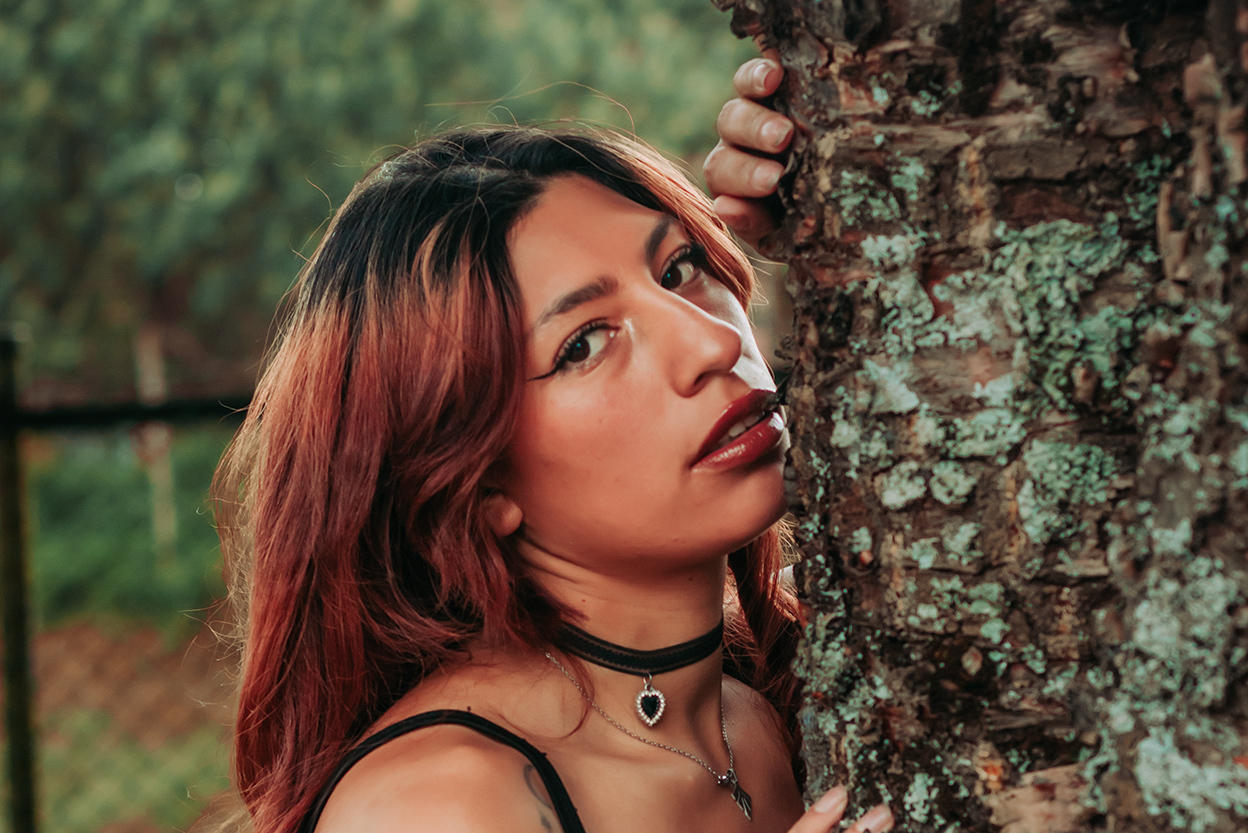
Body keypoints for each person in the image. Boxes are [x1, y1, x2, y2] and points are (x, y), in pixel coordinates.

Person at [213, 52, 894, 833]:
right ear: (477, 483)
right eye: (583, 343)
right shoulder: (440, 805)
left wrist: (855, 218)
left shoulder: (791, 687)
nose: (711, 340)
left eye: (678, 268)